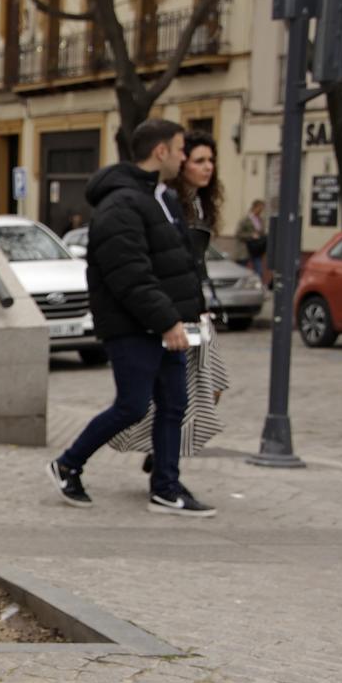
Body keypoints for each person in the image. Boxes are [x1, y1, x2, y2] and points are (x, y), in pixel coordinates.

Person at [46, 117, 215, 518]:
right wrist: (168, 322)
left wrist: (192, 310)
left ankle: (166, 488)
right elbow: (130, 274)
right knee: (133, 405)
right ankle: (68, 464)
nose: (183, 157)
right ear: (160, 152)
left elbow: (175, 264)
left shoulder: (162, 198)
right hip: (133, 326)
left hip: (165, 324)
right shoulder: (121, 204)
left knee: (174, 403)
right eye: (178, 150)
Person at [108, 130, 231, 474]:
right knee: (164, 393)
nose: (207, 168)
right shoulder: (166, 201)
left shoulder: (196, 204)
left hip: (194, 307)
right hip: (174, 310)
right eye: (198, 160)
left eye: (211, 160)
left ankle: (162, 452)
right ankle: (160, 454)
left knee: (209, 384)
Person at [236, 199, 268, 283]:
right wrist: (251, 235)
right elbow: (238, 234)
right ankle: (239, 287)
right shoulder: (246, 219)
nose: (261, 211)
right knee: (241, 270)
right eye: (260, 208)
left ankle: (258, 286)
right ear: (255, 207)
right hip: (245, 249)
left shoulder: (260, 220)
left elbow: (262, 232)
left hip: (256, 249)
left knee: (259, 271)